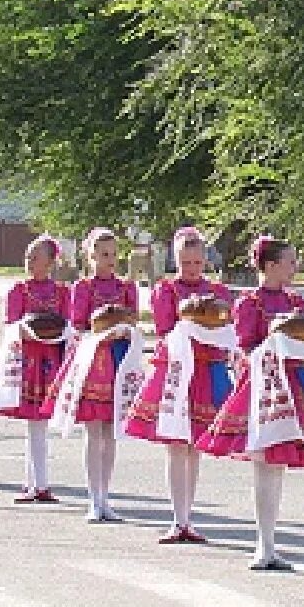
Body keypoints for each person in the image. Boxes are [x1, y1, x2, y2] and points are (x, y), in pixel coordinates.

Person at [199, 236, 304, 570]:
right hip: (263, 387)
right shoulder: (250, 303)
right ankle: (263, 544)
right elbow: (244, 347)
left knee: (277, 465)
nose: (295, 268)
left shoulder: (296, 302)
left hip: (295, 384)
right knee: (264, 463)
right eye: (290, 262)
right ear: (271, 265)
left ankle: (270, 543)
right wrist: (270, 349)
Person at [125, 227, 234, 544]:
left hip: (206, 370)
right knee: (176, 444)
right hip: (175, 370)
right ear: (176, 260)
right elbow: (164, 329)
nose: (191, 269)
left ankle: (189, 517)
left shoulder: (217, 293)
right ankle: (177, 518)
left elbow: (227, 326)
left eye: (197, 263)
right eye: (185, 262)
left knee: (195, 446)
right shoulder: (167, 291)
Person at [42, 227, 140, 523]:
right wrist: (99, 332)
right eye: (103, 255)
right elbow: (77, 324)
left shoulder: (127, 288)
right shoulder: (83, 288)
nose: (110, 260)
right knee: (93, 430)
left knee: (111, 433)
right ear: (91, 256)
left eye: (113, 254)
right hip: (93, 361)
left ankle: (106, 496)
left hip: (119, 359)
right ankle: (93, 498)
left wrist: (124, 329)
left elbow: (134, 319)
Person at [0, 234, 71, 502]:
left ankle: (36, 484)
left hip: (50, 360)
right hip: (27, 360)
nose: (29, 262)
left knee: (40, 424)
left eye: (35, 257)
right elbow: (12, 323)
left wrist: (53, 334)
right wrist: (25, 329)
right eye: (27, 257)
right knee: (34, 423)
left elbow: (68, 324)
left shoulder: (62, 292)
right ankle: (36, 484)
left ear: (50, 262)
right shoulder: (19, 290)